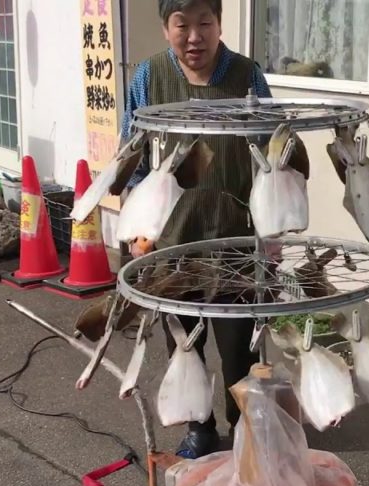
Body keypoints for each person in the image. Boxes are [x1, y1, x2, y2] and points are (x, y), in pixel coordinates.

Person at [119, 0, 303, 459]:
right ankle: (199, 428)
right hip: (174, 240)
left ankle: (243, 427)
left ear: (220, 25)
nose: (194, 36)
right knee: (185, 342)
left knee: (239, 345)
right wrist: (141, 225)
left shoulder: (246, 76)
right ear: (166, 28)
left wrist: (273, 230)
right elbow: (134, 154)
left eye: (205, 24)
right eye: (182, 25)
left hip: (237, 238)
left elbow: (271, 151)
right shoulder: (148, 77)